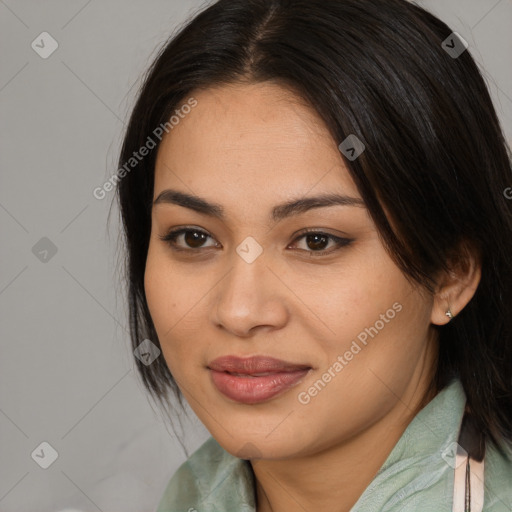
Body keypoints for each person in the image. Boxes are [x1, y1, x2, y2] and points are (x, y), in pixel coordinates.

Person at [115, 0, 512, 510]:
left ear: (452, 274)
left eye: (316, 240)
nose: (238, 310)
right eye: (194, 238)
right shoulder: (193, 495)